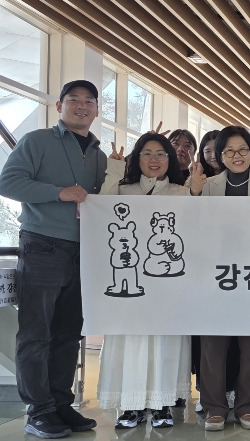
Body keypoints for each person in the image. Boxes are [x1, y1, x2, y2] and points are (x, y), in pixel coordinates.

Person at [0, 80, 106, 439]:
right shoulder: (36, 141)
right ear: (59, 106)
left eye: (89, 101)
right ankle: (39, 410)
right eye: (73, 100)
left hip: (84, 251)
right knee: (36, 333)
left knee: (68, 333)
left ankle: (61, 403)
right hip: (42, 245)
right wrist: (58, 193)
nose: (81, 106)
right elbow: (8, 182)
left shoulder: (99, 155)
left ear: (96, 110)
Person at [96, 133, 203, 429]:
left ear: (170, 159)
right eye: (147, 153)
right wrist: (114, 170)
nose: (154, 160)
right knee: (131, 342)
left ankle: (161, 404)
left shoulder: (181, 192)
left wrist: (195, 193)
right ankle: (131, 406)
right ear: (137, 158)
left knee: (165, 343)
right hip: (130, 289)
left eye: (160, 154)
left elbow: (196, 228)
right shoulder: (123, 189)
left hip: (168, 289)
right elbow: (100, 209)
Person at [191, 125, 250, 432]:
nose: (236, 155)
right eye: (229, 150)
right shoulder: (208, 185)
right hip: (215, 274)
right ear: (220, 155)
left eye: (242, 149)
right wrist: (193, 193)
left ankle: (247, 408)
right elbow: (194, 225)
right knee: (212, 345)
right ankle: (215, 407)